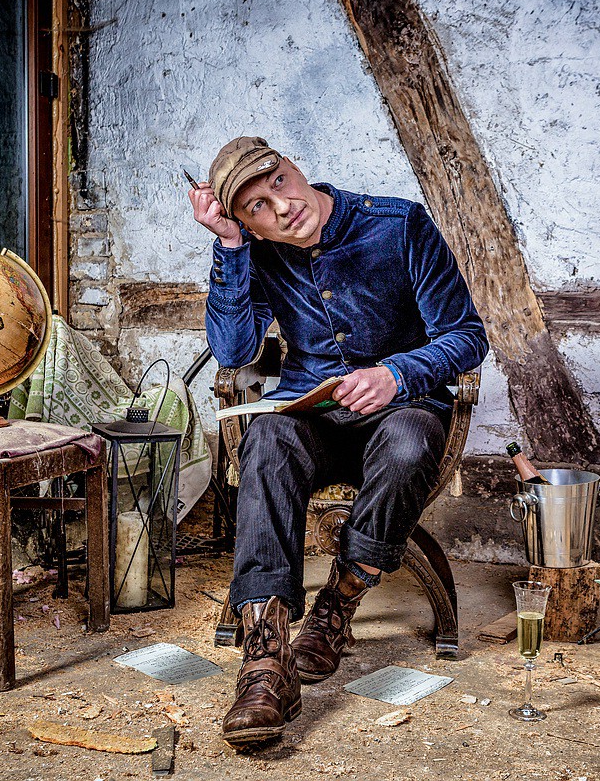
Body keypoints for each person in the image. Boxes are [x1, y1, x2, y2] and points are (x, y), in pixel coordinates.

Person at [188, 136, 487, 748]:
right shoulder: (257, 250)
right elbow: (234, 351)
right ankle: (266, 660)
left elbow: (466, 334)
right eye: (254, 208)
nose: (279, 205)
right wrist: (229, 247)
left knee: (406, 443)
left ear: (294, 164)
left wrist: (396, 374)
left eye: (276, 181)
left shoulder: (397, 223)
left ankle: (336, 607)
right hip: (314, 419)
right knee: (267, 436)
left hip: (400, 410)